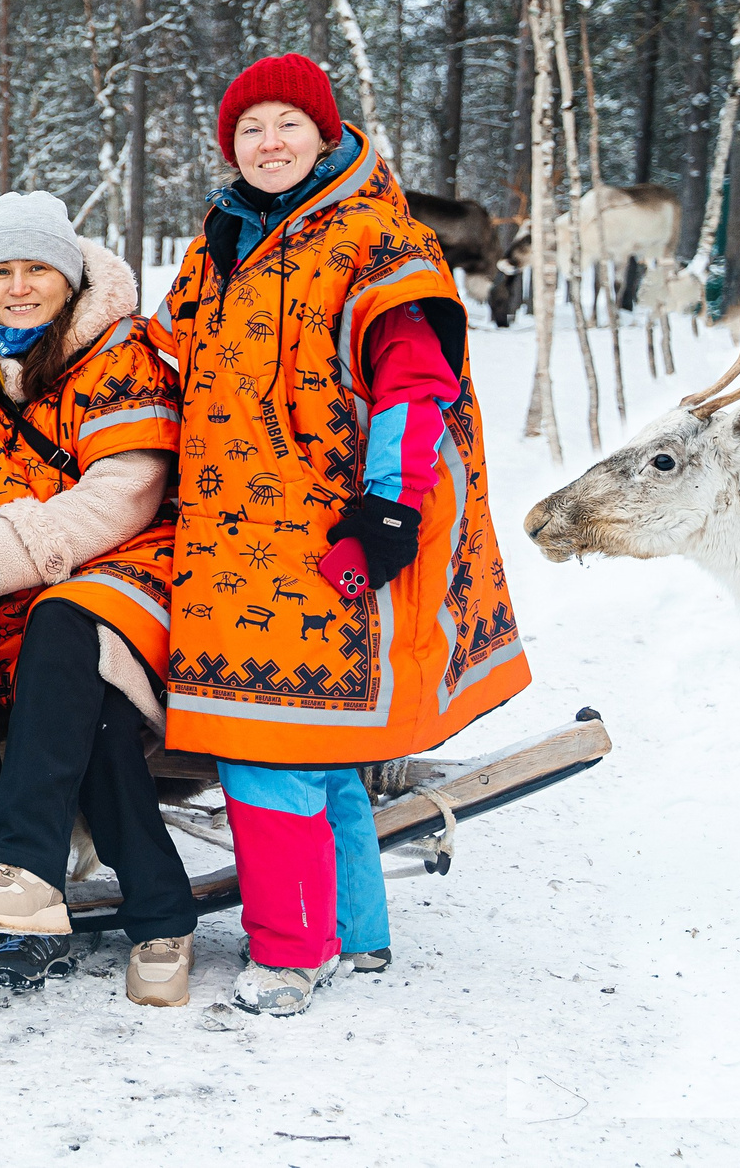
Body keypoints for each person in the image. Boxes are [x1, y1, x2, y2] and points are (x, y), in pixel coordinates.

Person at [146, 54, 530, 1016]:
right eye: (248, 130)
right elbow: (162, 354)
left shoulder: (376, 239)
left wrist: (388, 509)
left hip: (317, 534)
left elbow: (416, 382)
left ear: (323, 132)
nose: (267, 144)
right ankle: (358, 930)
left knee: (264, 744)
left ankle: (292, 949)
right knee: (316, 743)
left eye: (286, 124)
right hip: (224, 537)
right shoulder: (222, 240)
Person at [0, 193, 197, 1001]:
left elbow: (124, 491)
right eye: (2, 271)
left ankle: (144, 910)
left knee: (75, 662)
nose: (19, 287)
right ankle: (21, 903)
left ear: (71, 275)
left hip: (115, 578)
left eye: (37, 269)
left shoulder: (122, 357)